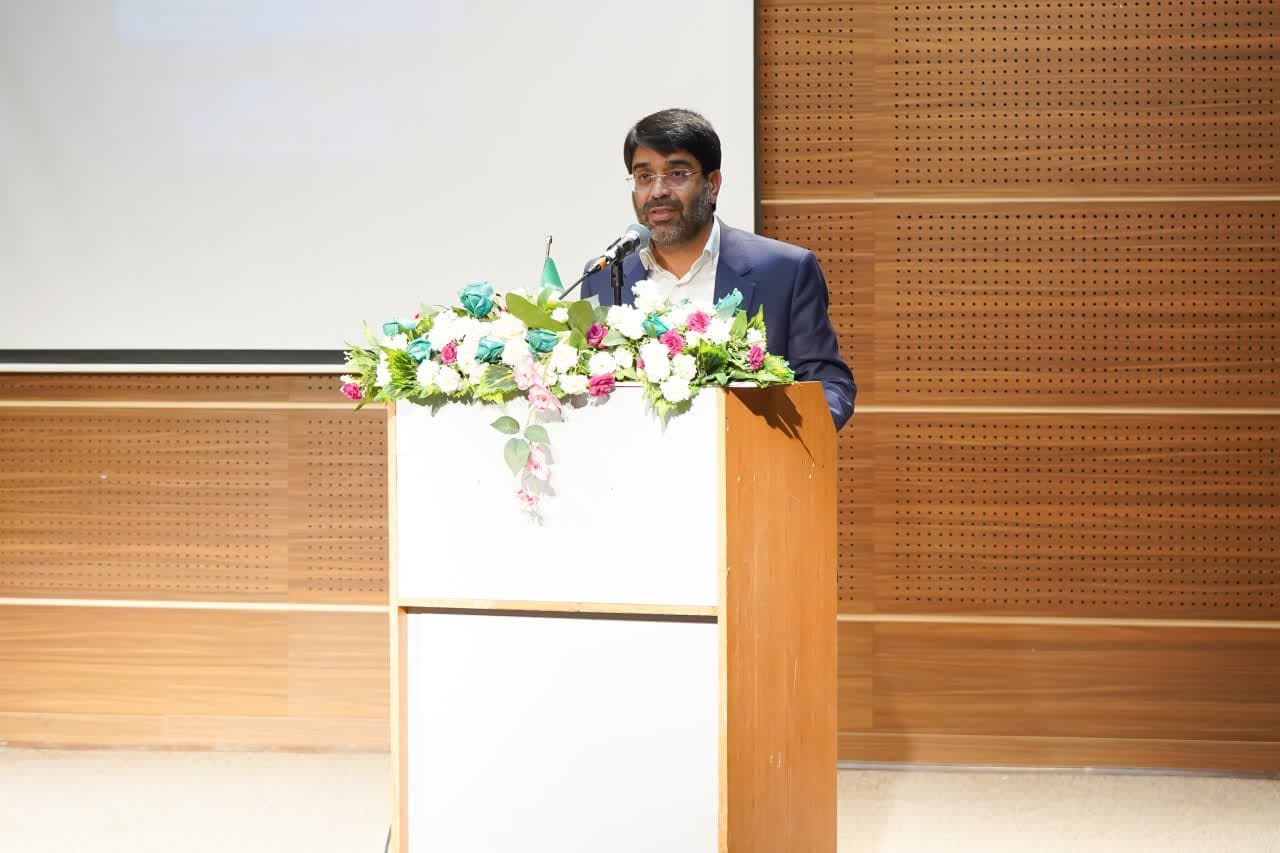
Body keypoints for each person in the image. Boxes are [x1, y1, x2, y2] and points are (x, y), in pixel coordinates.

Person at [580, 108, 855, 430]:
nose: (658, 191)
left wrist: (787, 441)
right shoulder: (605, 276)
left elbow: (829, 385)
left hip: (746, 455)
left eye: (676, 174)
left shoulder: (784, 271)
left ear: (712, 184)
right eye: (644, 177)